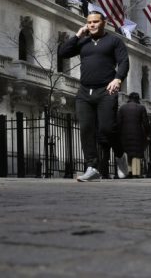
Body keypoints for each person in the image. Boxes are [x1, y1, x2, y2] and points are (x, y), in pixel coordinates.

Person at [58, 11, 129, 182]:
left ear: (103, 22)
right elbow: (63, 52)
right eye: (89, 22)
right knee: (86, 129)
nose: (92, 25)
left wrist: (118, 79)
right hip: (84, 92)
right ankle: (92, 167)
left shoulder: (114, 41)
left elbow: (124, 61)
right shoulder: (84, 41)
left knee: (107, 128)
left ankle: (120, 155)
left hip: (106, 91)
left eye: (96, 21)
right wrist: (77, 35)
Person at [117, 92, 151, 178]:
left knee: (128, 152)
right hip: (138, 133)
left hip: (124, 134)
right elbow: (145, 122)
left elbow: (118, 123)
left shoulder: (122, 108)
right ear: (137, 99)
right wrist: (148, 133)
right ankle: (136, 173)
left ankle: (129, 171)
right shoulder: (141, 108)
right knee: (136, 153)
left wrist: (118, 134)